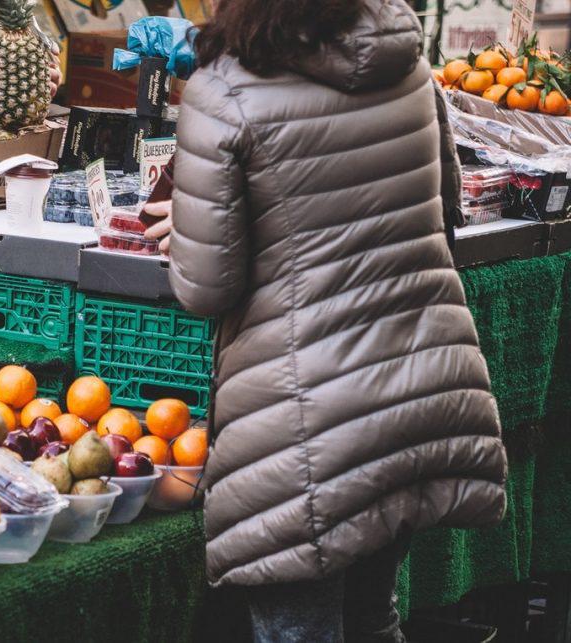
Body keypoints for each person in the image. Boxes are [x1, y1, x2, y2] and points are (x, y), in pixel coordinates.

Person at [143, 0, 508, 641]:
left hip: (309, 423)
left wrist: (193, 230)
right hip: (419, 390)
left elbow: (207, 287)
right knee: (373, 618)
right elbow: (445, 212)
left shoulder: (223, 90)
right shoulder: (407, 64)